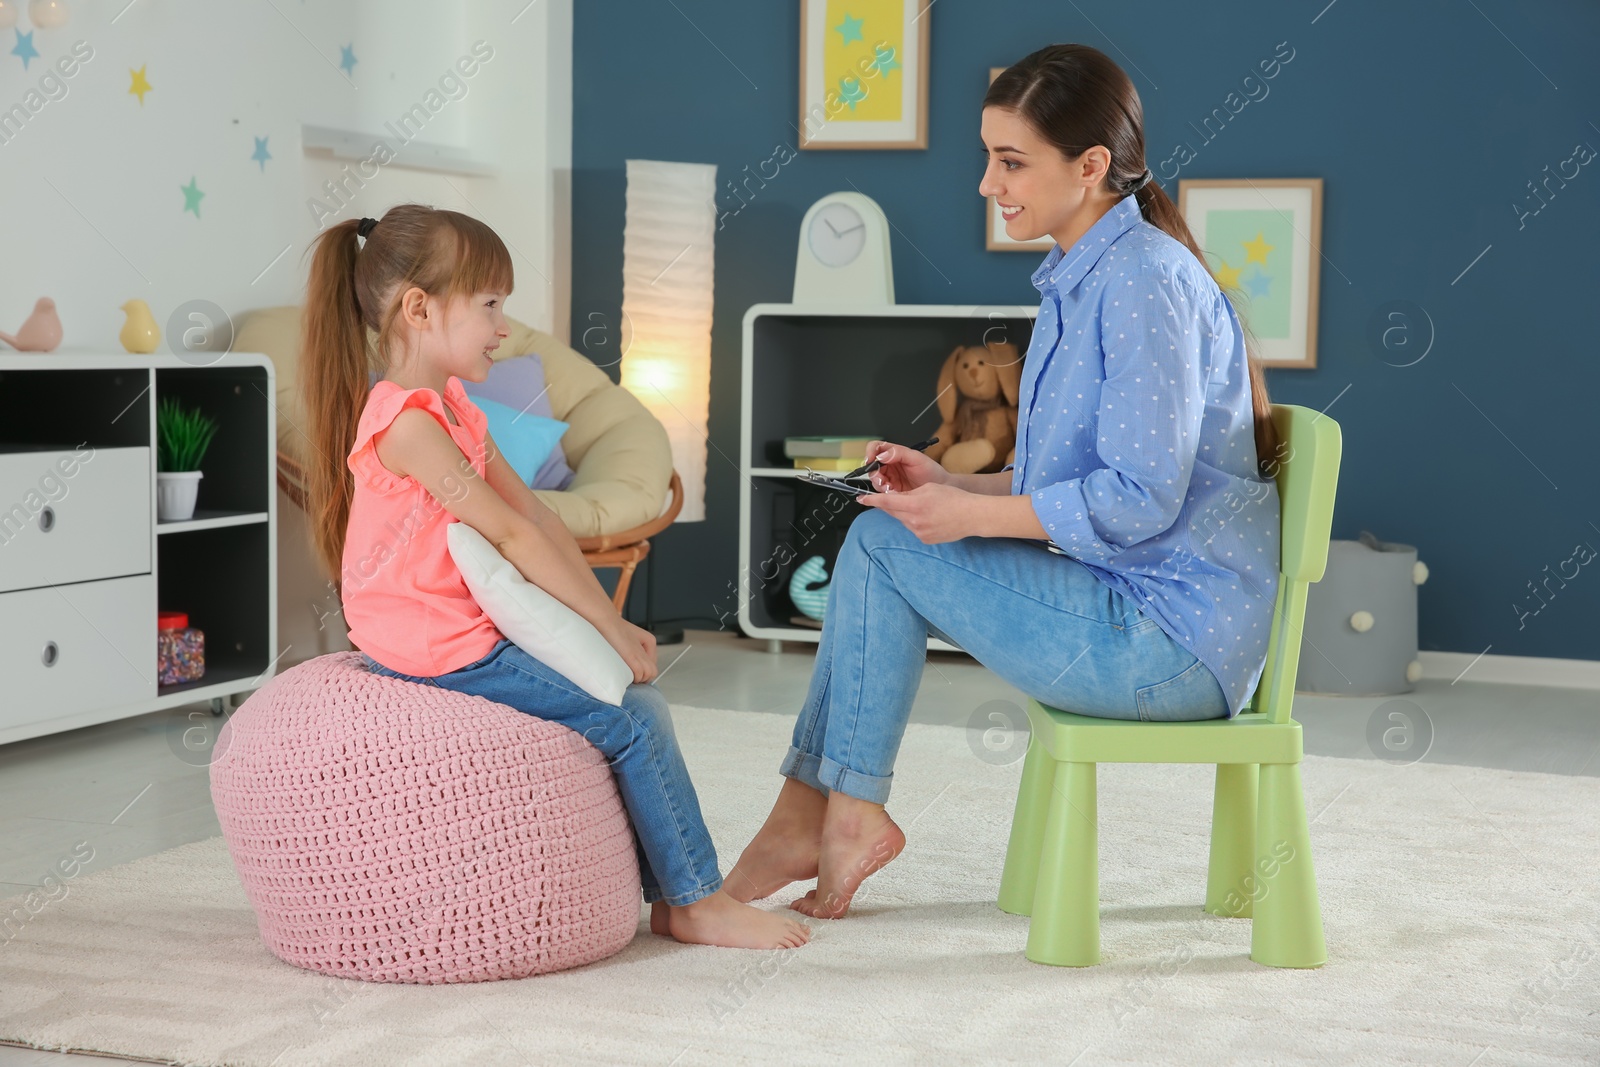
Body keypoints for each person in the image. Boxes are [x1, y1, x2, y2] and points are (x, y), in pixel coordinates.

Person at [728, 43, 1284, 920]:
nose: (989, 184)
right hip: (1131, 606)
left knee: (878, 539)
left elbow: (1139, 500)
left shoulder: (1142, 281)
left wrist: (960, 511)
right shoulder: (1082, 278)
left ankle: (829, 810)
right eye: (990, 158)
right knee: (887, 524)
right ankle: (825, 812)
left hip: (1171, 647)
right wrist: (954, 485)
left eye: (1012, 161)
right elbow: (1068, 485)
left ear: (1092, 165)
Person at [299, 204, 808, 950]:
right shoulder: (406, 425)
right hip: (433, 644)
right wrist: (603, 627)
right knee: (637, 718)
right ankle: (694, 901)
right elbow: (503, 533)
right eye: (489, 305)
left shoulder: (455, 407)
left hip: (466, 624)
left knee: (627, 687)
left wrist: (610, 621)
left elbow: (533, 516)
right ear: (418, 308)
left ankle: (673, 894)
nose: (503, 327)